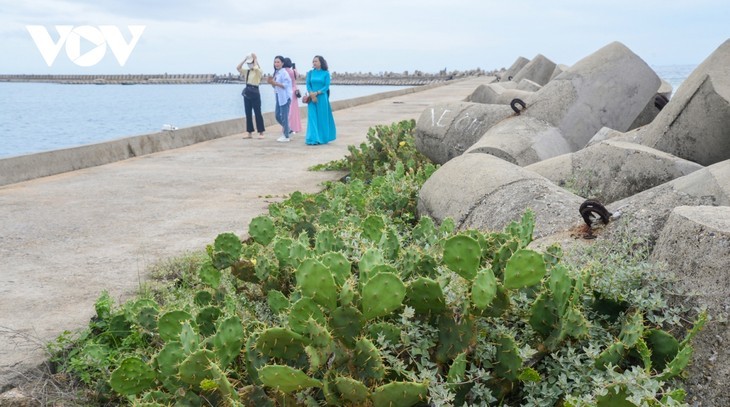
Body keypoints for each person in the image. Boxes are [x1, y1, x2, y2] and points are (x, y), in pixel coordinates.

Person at [304, 55, 336, 145]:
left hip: (322, 98)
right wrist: (311, 93)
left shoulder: (326, 73)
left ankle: (322, 138)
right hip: (311, 98)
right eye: (313, 61)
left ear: (321, 62)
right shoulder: (310, 73)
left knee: (322, 118)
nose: (314, 63)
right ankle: (312, 138)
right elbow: (308, 84)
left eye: (316, 61)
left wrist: (317, 93)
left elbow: (326, 86)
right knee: (312, 117)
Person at [236, 53, 265, 139]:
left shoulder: (258, 71)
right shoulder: (247, 71)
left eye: (251, 62)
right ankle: (249, 132)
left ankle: (261, 132)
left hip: (255, 91)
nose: (250, 64)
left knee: (257, 112)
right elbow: (238, 68)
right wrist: (245, 60)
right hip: (248, 92)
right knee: (248, 113)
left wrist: (255, 59)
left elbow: (256, 68)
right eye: (249, 63)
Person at [267, 55, 292, 143]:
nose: (276, 64)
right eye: (275, 62)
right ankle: (288, 129)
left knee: (284, 116)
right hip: (278, 96)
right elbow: (275, 86)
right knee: (277, 115)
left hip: (285, 96)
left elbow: (285, 85)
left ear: (282, 63)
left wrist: (275, 83)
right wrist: (271, 83)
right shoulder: (276, 73)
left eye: (278, 62)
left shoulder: (284, 72)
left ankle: (286, 136)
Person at [283, 58, 302, 134]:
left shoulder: (283, 71)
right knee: (294, 110)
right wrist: (294, 68)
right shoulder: (293, 71)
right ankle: (296, 127)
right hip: (294, 91)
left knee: (287, 110)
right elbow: (297, 76)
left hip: (286, 91)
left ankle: (287, 126)